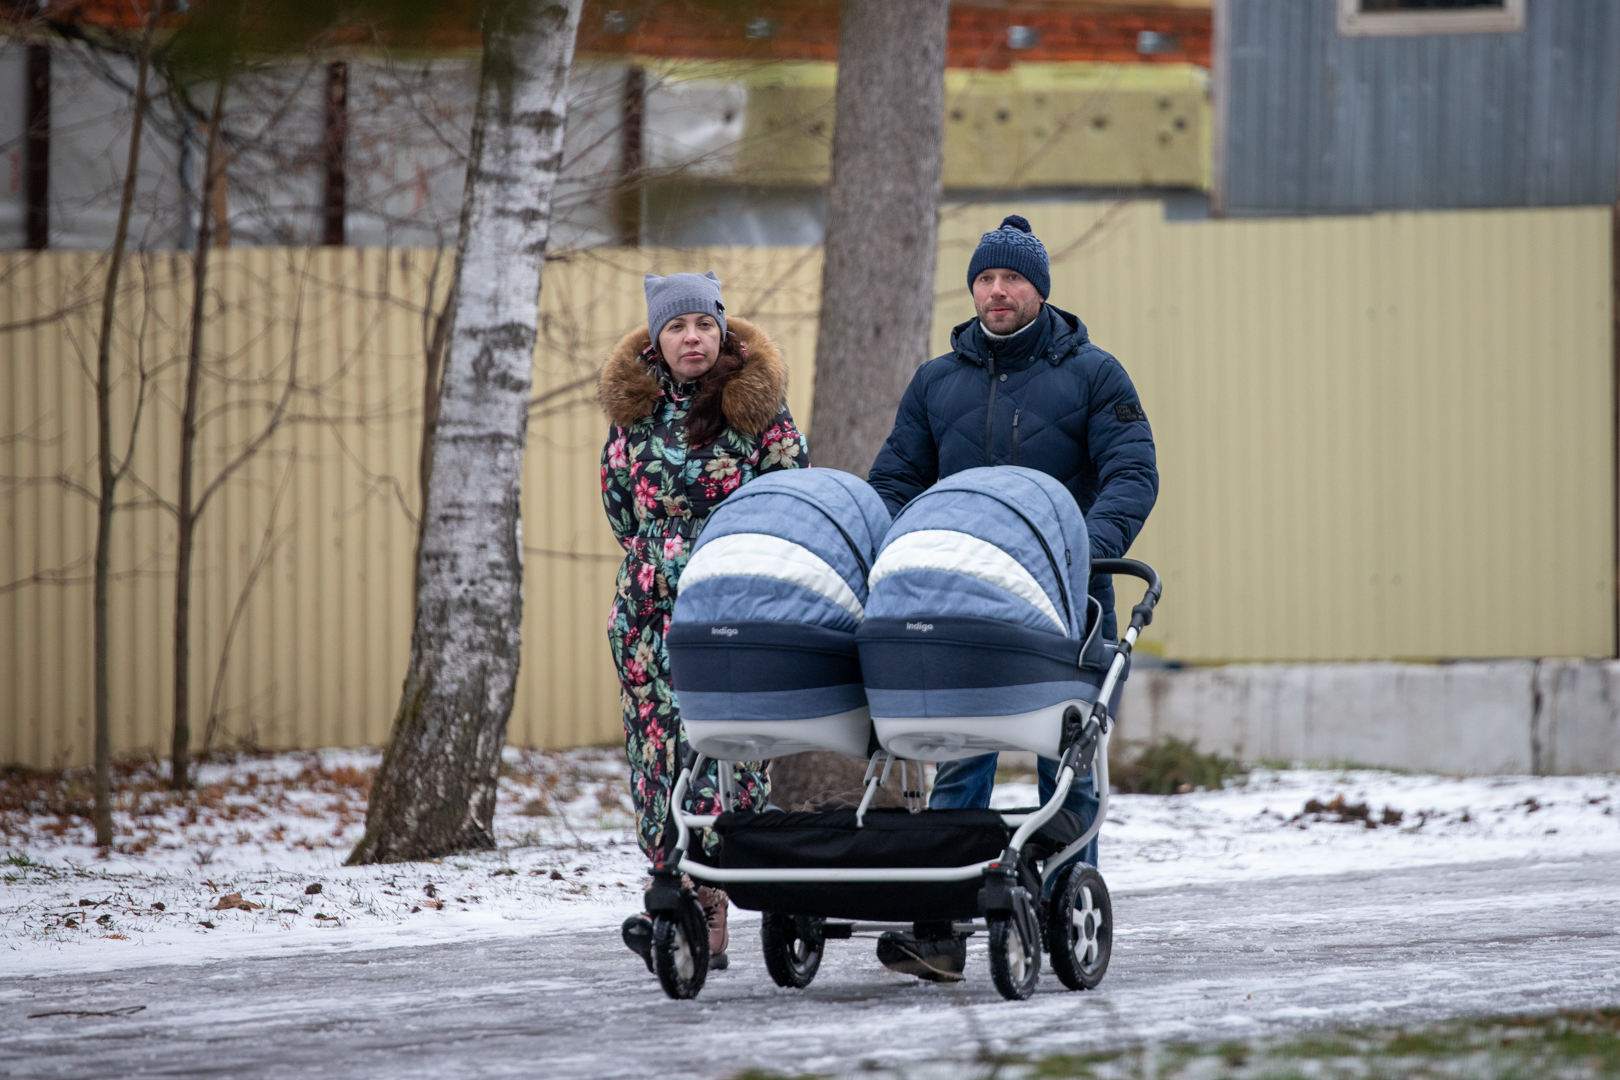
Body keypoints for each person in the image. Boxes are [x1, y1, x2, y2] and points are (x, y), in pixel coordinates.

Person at [867, 215, 1158, 981]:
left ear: (1039, 290)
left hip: (1068, 603)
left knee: (1067, 759)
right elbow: (896, 478)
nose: (997, 291)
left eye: (1012, 279)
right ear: (973, 290)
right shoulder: (938, 382)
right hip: (963, 601)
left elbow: (1132, 473)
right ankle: (943, 928)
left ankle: (1064, 907)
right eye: (986, 279)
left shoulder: (1095, 375)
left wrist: (1080, 550)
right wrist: (907, 545)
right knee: (961, 753)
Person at [599, 271, 809, 973]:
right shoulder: (632, 416)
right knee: (655, 747)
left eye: (704, 326)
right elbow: (621, 513)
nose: (692, 337)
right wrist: (657, 560)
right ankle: (670, 885)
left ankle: (720, 886)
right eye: (677, 327)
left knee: (731, 744)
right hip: (647, 607)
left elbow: (793, 496)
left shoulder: (759, 411)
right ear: (657, 340)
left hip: (733, 600)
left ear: (722, 332)